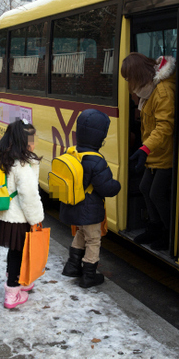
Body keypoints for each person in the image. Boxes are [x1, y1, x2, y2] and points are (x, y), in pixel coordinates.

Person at [60, 109, 121, 288]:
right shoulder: (96, 161)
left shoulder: (72, 153)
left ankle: (72, 266)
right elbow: (106, 188)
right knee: (93, 240)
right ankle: (88, 275)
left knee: (81, 232)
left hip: (74, 207)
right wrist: (117, 185)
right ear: (100, 137)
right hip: (90, 210)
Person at [121, 53, 176, 250]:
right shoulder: (149, 90)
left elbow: (164, 127)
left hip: (164, 154)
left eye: (129, 79)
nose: (129, 84)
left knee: (157, 194)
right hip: (154, 153)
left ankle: (168, 233)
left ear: (138, 75)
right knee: (145, 188)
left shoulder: (162, 92)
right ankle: (154, 227)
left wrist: (145, 148)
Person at [0, 119, 44, 308]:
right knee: (18, 254)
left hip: (3, 216)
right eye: (31, 140)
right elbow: (29, 196)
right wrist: (36, 220)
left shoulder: (1, 157)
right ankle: (12, 293)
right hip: (18, 219)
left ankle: (20, 279)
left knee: (14, 251)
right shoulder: (22, 165)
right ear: (23, 141)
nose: (34, 143)